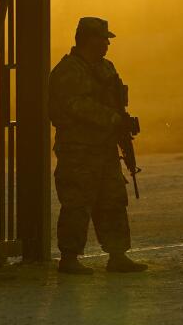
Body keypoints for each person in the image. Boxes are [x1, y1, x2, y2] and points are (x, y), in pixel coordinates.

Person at [48, 16, 147, 274]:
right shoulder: (68, 71)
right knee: (77, 203)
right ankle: (69, 258)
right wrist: (111, 118)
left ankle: (117, 255)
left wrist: (122, 123)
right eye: (103, 39)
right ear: (88, 39)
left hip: (104, 148)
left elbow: (114, 102)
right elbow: (76, 106)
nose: (107, 44)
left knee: (113, 200)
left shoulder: (107, 68)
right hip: (78, 150)